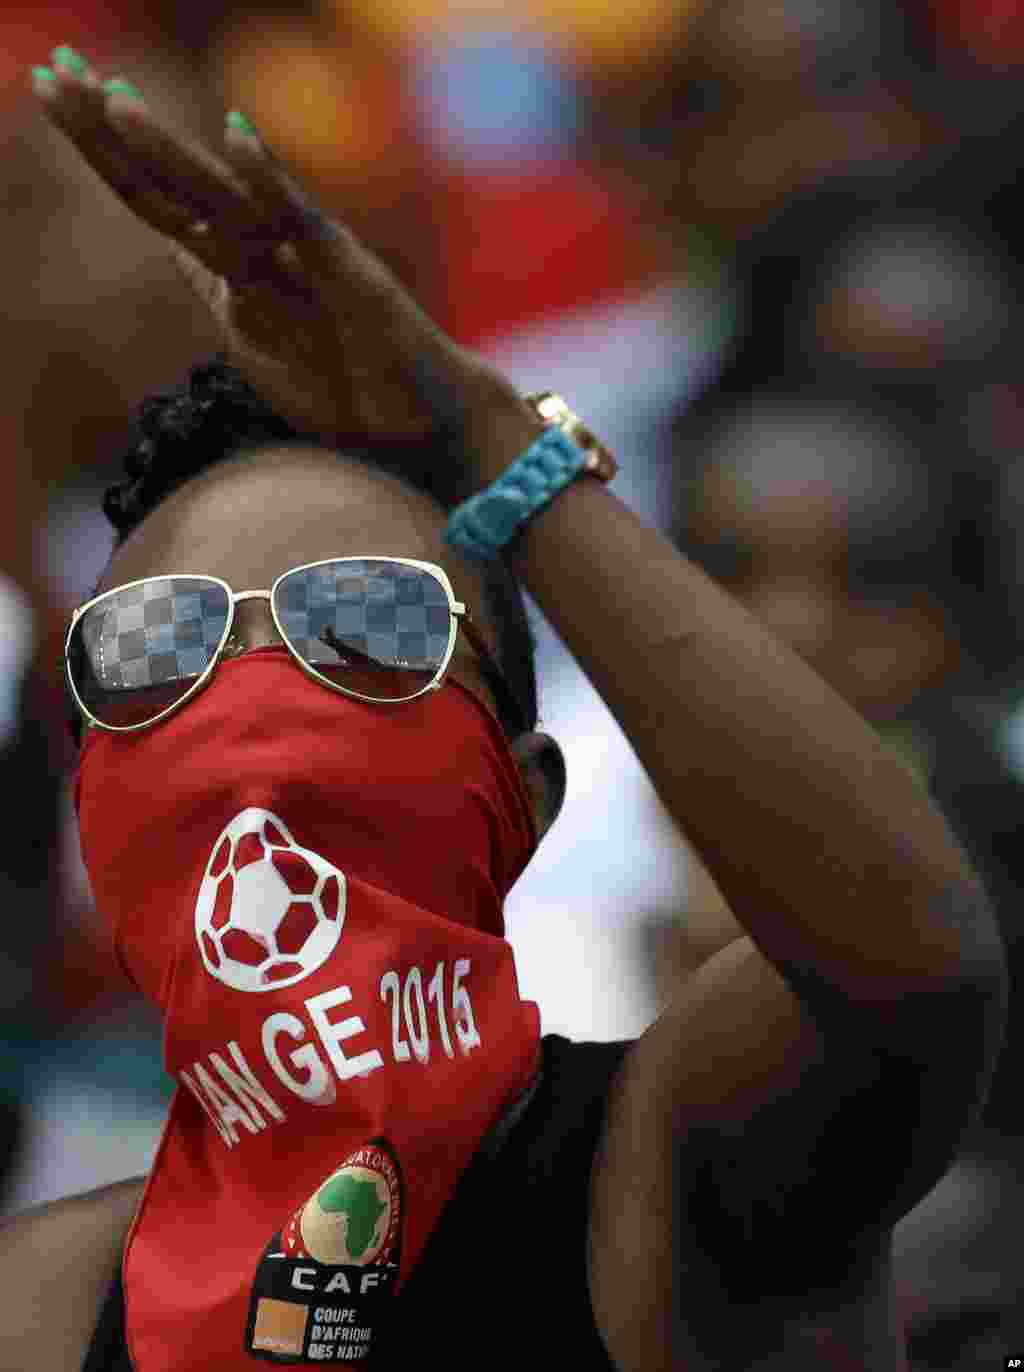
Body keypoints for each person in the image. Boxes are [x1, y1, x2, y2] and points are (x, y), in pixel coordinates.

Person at [0, 45, 1008, 1372]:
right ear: (90, 807)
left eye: (366, 625)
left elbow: (911, 971)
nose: (252, 698)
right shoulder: (47, 1302)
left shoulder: (668, 1159)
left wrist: (486, 438)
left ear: (524, 795)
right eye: (158, 648)